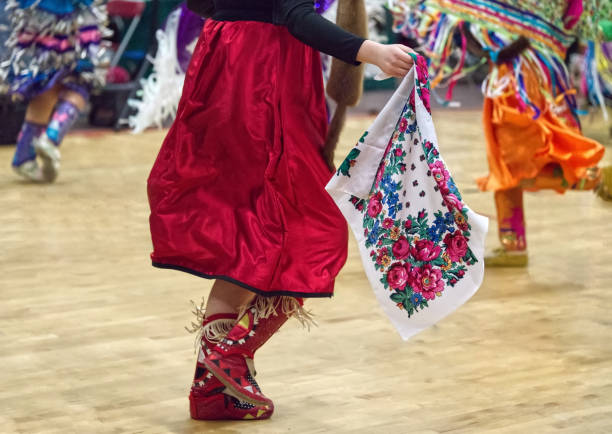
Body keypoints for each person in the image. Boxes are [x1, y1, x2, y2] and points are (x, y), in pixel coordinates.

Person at [147, 0, 416, 421]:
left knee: (247, 230)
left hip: (225, 65)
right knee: (314, 229)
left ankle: (211, 392)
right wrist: (371, 51)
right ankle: (230, 351)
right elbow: (295, 14)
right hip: (264, 76)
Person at [390, 0, 612, 267]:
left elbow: (524, 29)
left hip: (521, 80)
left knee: (520, 164)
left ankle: (598, 179)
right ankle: (513, 245)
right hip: (517, 74)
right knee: (503, 165)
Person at [1, 0, 109, 182]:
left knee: (46, 80)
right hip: (73, 17)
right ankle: (51, 137)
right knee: (82, 80)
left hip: (37, 17)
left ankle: (24, 155)